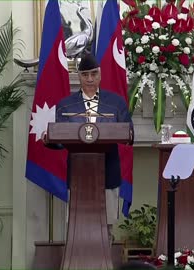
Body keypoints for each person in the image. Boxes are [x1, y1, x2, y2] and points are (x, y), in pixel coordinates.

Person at [51, 54, 134, 236]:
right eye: (85, 74)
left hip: (108, 173)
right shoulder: (65, 105)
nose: (90, 79)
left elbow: (129, 134)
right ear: (78, 76)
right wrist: (49, 139)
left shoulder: (116, 102)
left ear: (100, 75)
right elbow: (59, 139)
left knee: (106, 230)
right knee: (78, 229)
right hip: (79, 176)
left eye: (94, 74)